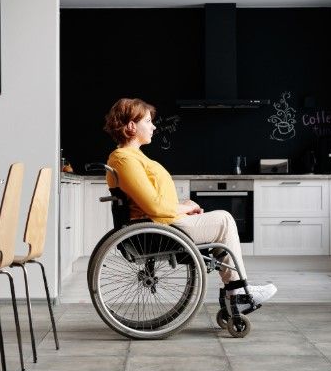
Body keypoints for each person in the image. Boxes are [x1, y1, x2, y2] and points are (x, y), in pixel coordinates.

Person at [103, 97, 277, 309]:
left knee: (222, 222)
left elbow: (152, 200)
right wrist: (184, 208)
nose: (154, 126)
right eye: (148, 121)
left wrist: (182, 207)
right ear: (131, 126)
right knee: (225, 220)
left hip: (163, 223)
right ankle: (236, 290)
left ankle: (236, 289)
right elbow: (154, 207)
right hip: (157, 229)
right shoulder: (124, 158)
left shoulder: (132, 157)